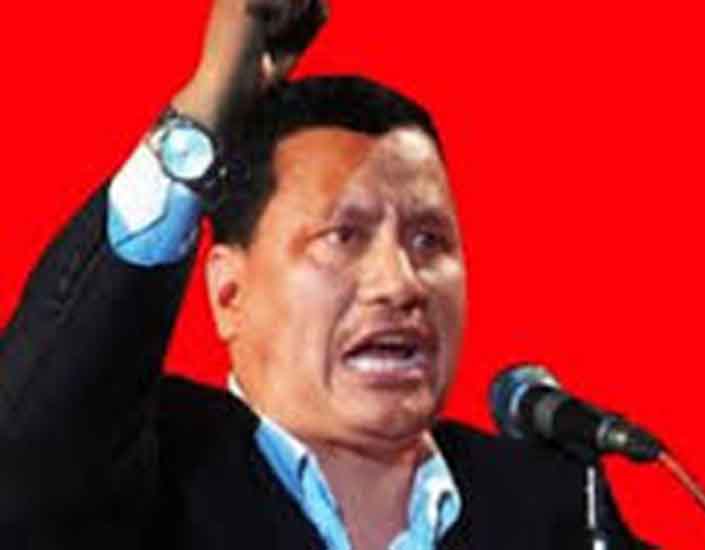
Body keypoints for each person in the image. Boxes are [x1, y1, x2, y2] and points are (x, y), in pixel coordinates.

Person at [0, 1, 649, 548]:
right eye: (344, 236)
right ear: (228, 292)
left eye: (429, 241)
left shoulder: (552, 506)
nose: (399, 283)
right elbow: (33, 443)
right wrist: (203, 117)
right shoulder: (148, 469)